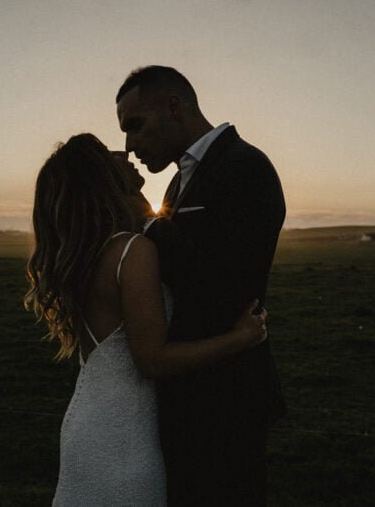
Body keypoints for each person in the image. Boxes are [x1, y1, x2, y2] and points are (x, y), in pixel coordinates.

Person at [24, 133, 269, 506]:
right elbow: (152, 359)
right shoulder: (132, 250)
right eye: (110, 154)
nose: (125, 153)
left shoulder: (92, 252)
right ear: (101, 175)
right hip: (123, 440)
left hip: (88, 423)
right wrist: (240, 338)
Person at [116, 66, 286, 506]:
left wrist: (142, 214)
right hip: (183, 392)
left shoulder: (246, 166)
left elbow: (226, 283)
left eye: (135, 125)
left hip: (228, 398)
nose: (130, 145)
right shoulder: (178, 180)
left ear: (174, 106)